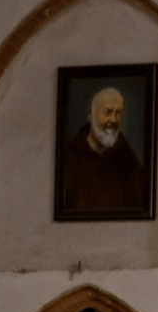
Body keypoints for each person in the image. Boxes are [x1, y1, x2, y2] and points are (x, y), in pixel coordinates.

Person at [55, 85, 150, 216]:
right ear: (90, 114)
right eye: (108, 112)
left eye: (118, 113)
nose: (113, 120)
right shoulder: (69, 156)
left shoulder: (128, 159)